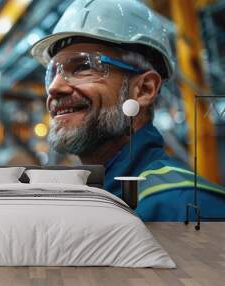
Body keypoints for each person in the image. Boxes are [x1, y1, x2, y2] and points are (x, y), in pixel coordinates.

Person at [31, 0, 225, 221]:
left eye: (84, 66)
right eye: (52, 73)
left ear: (144, 89)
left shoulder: (188, 208)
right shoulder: (83, 203)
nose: (54, 87)